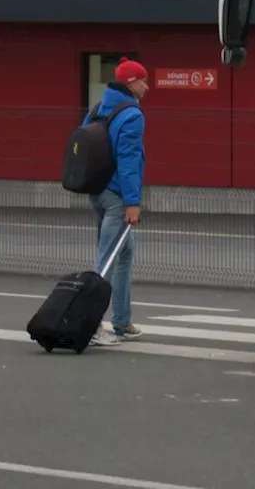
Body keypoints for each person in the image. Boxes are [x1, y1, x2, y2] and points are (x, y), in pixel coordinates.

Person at [88, 56, 150, 347]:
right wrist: (133, 201)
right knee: (108, 260)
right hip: (117, 196)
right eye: (143, 80)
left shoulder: (98, 109)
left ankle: (122, 320)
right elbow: (129, 160)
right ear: (130, 83)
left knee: (124, 253)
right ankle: (91, 322)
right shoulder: (133, 115)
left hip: (97, 190)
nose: (147, 86)